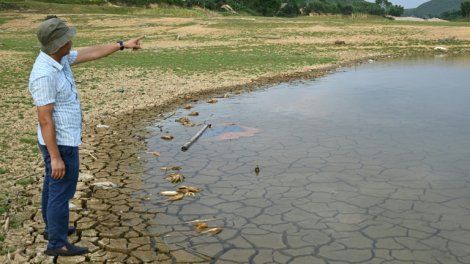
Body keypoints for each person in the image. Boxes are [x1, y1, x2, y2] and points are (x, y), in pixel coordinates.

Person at [28, 15, 143, 257]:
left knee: (52, 185)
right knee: (61, 190)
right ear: (59, 44)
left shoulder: (59, 59)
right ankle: (57, 244)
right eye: (68, 38)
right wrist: (56, 156)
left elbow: (91, 52)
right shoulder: (44, 74)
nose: (71, 41)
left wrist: (122, 44)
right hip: (60, 144)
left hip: (63, 141)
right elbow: (45, 119)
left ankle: (53, 229)